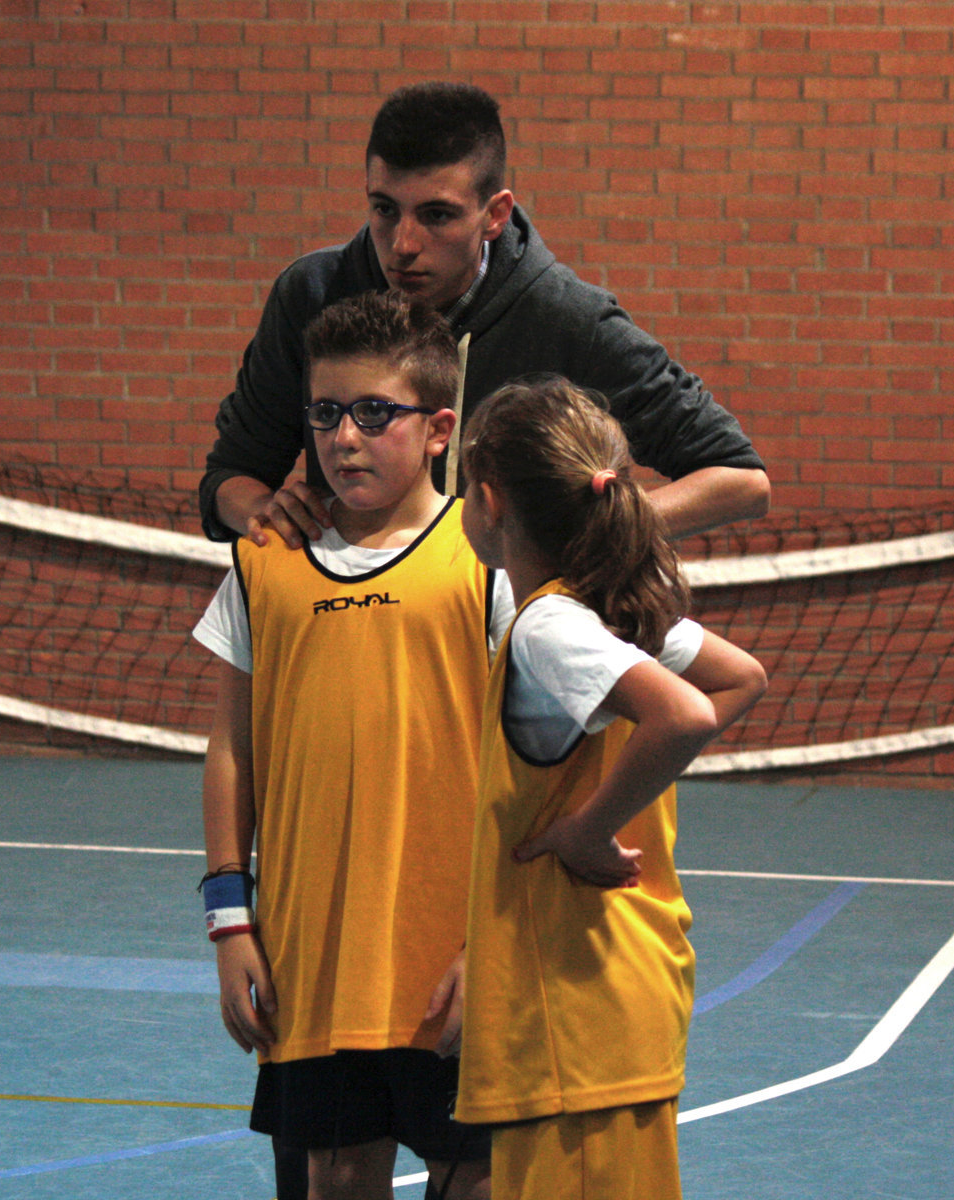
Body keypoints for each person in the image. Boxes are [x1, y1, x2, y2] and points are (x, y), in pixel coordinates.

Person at [193, 291, 500, 1200]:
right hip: (309, 960)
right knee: (330, 1178)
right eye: (325, 414)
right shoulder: (263, 563)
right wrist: (230, 923)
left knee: (477, 1179)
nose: (345, 438)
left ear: (439, 429)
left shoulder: (489, 564)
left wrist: (495, 941)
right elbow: (231, 750)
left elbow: (536, 774)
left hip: (454, 959)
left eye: (374, 413)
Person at [199, 80, 769, 553]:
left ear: (495, 214)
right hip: (354, 623)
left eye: (437, 215)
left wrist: (576, 534)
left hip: (504, 638)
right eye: (384, 209)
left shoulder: (566, 317)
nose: (403, 244)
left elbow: (741, 481)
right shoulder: (311, 294)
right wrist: (262, 510)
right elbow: (229, 477)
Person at [453, 378, 767, 1200]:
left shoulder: (550, 624)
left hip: (573, 1013)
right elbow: (741, 677)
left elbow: (684, 714)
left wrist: (588, 828)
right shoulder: (611, 609)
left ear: (489, 501)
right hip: (619, 989)